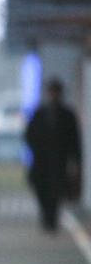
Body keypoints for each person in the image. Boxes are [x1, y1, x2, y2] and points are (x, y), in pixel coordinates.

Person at [24, 78, 84, 234]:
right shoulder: (40, 113)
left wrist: (76, 162)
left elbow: (74, 141)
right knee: (42, 190)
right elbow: (29, 135)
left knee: (56, 192)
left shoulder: (67, 115)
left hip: (59, 162)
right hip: (41, 162)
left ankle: (51, 220)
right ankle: (46, 218)